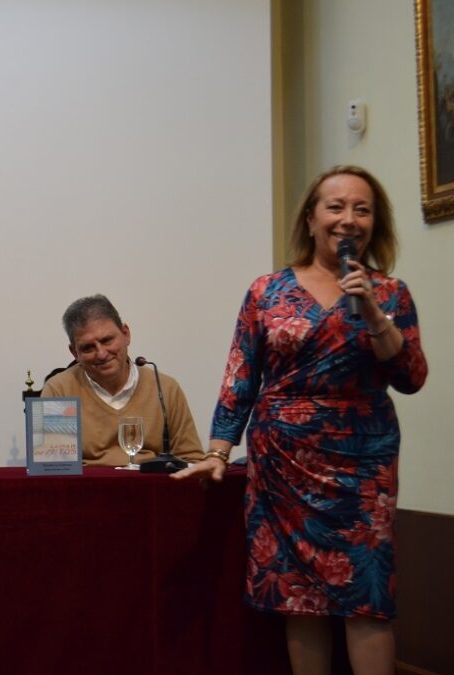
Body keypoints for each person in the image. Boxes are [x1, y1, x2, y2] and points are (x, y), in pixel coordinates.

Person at [173, 166, 428, 675]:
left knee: (368, 596)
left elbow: (412, 376)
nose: (348, 219)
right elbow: (241, 376)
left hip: (363, 463)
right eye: (335, 207)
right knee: (299, 599)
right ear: (310, 218)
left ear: (374, 223)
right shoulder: (267, 292)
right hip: (283, 464)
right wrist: (219, 451)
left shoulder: (391, 293)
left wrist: (376, 316)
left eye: (362, 208)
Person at [40, 295, 204, 466]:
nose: (102, 354)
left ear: (126, 334)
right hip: (88, 489)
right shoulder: (59, 390)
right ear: (74, 353)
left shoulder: (165, 388)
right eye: (88, 348)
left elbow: (191, 459)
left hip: (150, 489)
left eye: (107, 340)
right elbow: (53, 468)